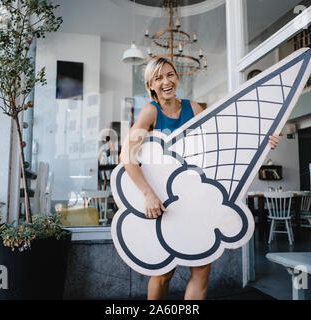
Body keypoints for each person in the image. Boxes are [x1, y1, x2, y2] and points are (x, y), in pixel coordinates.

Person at [120, 57, 282, 300]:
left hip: (195, 196)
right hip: (164, 201)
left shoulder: (194, 108)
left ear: (177, 77)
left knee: (202, 268)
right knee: (164, 272)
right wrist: (148, 194)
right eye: (158, 78)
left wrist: (263, 143)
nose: (166, 81)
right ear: (150, 85)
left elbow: (223, 144)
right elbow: (127, 155)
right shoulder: (151, 111)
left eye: (170, 74)